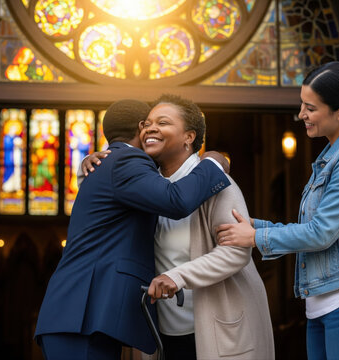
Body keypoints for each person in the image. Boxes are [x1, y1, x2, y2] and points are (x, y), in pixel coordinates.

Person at [216, 61, 339, 359]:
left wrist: (255, 238)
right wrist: (255, 226)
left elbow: (321, 233)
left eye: (310, 108)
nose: (301, 114)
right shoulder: (332, 154)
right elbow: (316, 227)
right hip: (325, 303)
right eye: (302, 104)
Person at [34, 99, 231, 360]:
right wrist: (215, 160)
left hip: (83, 315)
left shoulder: (111, 161)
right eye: (150, 123)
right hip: (83, 316)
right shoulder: (127, 160)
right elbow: (176, 200)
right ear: (141, 128)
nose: (154, 130)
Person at [141, 94, 274, 360]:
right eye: (146, 123)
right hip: (165, 334)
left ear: (189, 137)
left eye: (163, 122)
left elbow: (236, 252)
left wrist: (177, 276)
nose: (150, 128)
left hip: (217, 330)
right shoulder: (148, 186)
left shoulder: (217, 182)